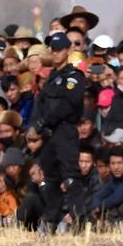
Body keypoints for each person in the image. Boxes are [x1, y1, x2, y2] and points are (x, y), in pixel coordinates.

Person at [31, 32, 87, 230]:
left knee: (70, 177)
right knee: (51, 178)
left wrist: (44, 121)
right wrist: (36, 125)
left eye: (59, 50)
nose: (55, 53)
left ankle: (78, 220)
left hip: (65, 130)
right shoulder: (50, 77)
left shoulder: (74, 77)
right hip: (49, 134)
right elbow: (42, 104)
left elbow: (68, 106)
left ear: (68, 50)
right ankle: (50, 221)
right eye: (53, 50)